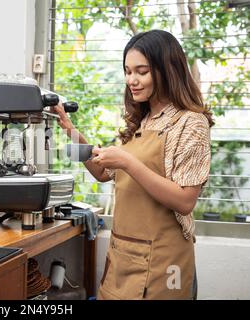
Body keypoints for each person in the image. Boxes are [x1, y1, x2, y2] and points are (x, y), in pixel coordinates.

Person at [52, 29, 213, 300]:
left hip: (165, 261)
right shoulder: (142, 120)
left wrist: (127, 161)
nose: (132, 80)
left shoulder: (189, 122)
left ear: (167, 70)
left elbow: (185, 200)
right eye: (128, 71)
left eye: (142, 71)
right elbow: (103, 172)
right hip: (124, 254)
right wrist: (70, 129)